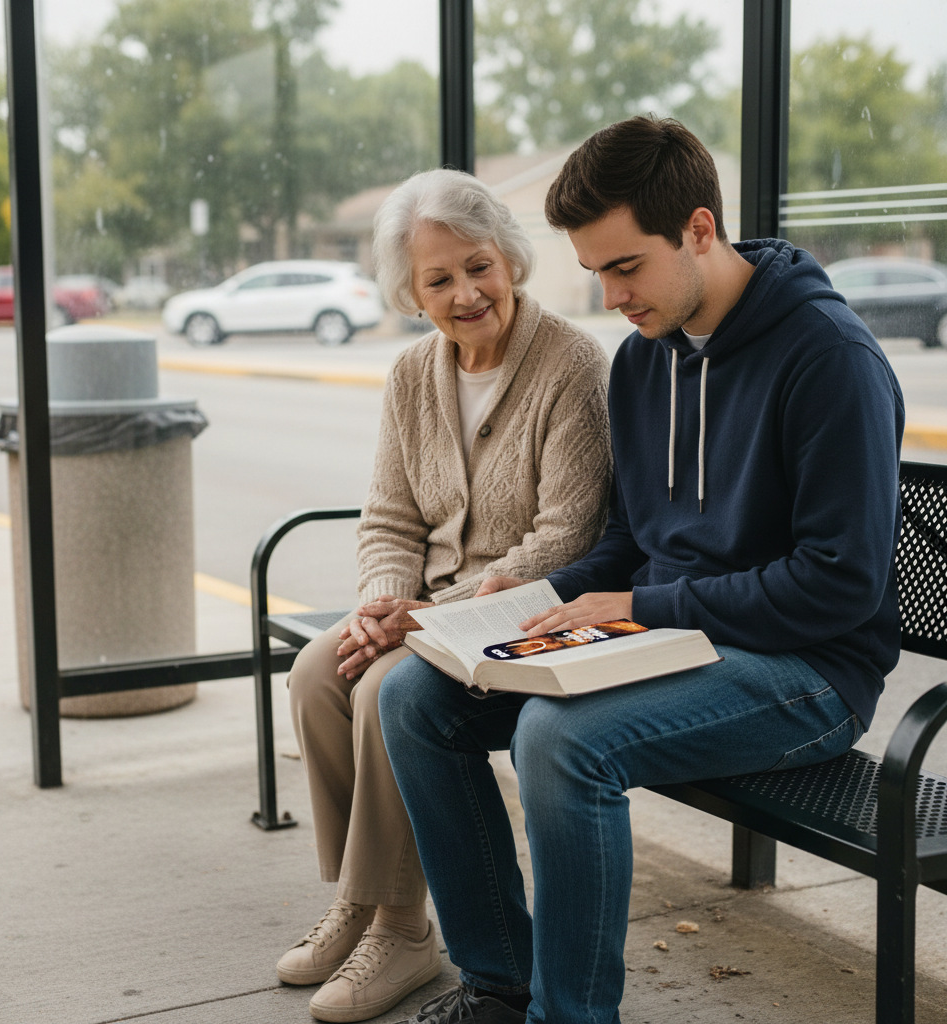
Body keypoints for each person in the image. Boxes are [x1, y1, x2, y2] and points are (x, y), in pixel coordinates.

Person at [378, 116, 905, 1024]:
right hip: (664, 641)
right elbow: (630, 536)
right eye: (596, 273)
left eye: (626, 266)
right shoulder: (643, 362)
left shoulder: (829, 360)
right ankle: (500, 984)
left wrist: (645, 604)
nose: (613, 294)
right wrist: (534, 596)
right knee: (413, 700)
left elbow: (837, 583)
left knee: (562, 740)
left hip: (807, 672)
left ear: (699, 229)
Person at [277, 168, 613, 1023]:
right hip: (427, 613)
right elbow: (388, 516)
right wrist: (380, 603)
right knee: (319, 672)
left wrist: (428, 615)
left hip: (522, 617)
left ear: (509, 259)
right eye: (440, 279)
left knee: (389, 686)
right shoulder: (410, 376)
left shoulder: (573, 363)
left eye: (479, 266)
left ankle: (400, 926)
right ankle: (365, 906)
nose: (467, 293)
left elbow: (566, 537)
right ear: (410, 291)